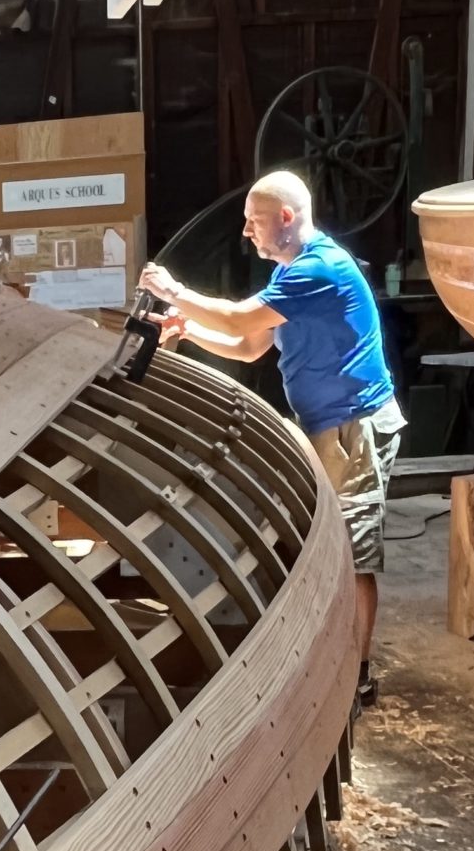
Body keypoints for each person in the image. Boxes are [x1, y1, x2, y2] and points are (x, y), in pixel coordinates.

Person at [137, 170, 405, 702]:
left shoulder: (319, 269)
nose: (246, 231)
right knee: (328, 545)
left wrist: (175, 293)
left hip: (354, 427)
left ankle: (356, 676)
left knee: (353, 554)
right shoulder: (291, 274)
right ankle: (335, 659)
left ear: (285, 218)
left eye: (253, 221)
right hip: (328, 426)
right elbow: (249, 347)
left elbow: (240, 322)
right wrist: (188, 329)